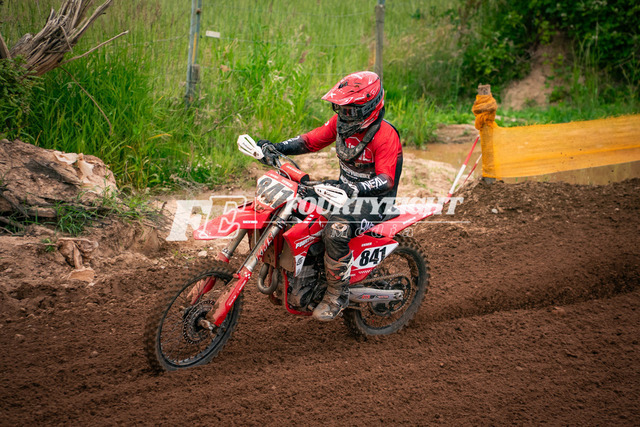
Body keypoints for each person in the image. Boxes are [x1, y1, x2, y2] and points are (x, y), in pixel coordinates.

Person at [258, 71, 403, 321]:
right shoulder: (340, 123)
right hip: (342, 191)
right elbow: (309, 141)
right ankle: (303, 274)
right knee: (295, 205)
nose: (344, 114)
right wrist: (277, 147)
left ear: (368, 107)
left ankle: (337, 294)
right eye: (341, 108)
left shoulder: (385, 135)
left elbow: (386, 179)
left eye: (350, 109)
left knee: (336, 230)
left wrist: (356, 189)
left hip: (374, 201)